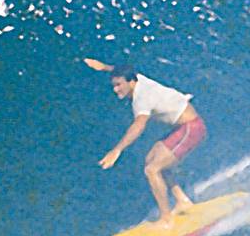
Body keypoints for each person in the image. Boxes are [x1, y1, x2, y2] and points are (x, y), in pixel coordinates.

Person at [84, 58, 207, 224]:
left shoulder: (141, 98)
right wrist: (104, 67)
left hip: (191, 129)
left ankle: (166, 219)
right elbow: (123, 71)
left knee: (152, 169)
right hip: (183, 128)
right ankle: (182, 201)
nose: (116, 90)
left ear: (131, 82)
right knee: (151, 158)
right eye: (114, 85)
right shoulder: (138, 79)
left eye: (119, 85)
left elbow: (139, 124)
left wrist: (117, 150)